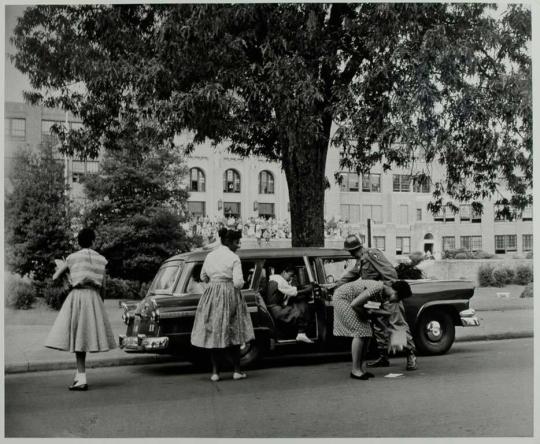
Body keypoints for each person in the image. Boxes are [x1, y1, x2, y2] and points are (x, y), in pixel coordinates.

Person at [331, 234, 418, 371]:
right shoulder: (361, 261)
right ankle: (383, 356)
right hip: (376, 297)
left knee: (396, 325)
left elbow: (390, 273)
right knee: (377, 324)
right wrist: (337, 285)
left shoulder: (372, 254)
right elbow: (352, 274)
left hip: (389, 295)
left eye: (351, 251)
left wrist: (390, 292)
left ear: (354, 249)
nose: (350, 254)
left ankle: (410, 354)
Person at [45, 228, 116, 391]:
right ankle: (79, 376)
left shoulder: (72, 257)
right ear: (92, 241)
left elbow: (55, 277)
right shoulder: (101, 259)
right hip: (94, 297)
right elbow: (104, 286)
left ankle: (82, 378)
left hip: (77, 296)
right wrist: (100, 303)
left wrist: (63, 268)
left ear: (79, 242)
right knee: (84, 337)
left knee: (78, 338)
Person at [190, 228, 255, 381]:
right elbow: (238, 283)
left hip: (212, 294)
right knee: (233, 331)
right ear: (229, 241)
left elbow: (203, 276)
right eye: (236, 242)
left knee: (214, 332)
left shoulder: (210, 256)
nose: (238, 245)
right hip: (229, 293)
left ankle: (215, 373)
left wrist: (214, 282)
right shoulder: (234, 258)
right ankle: (237, 370)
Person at [333, 279, 383, 379]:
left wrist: (369, 315)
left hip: (352, 300)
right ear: (395, 292)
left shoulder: (381, 293)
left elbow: (371, 311)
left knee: (367, 332)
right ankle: (355, 370)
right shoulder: (377, 287)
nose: (392, 301)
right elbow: (355, 304)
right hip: (343, 299)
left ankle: (361, 368)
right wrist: (365, 315)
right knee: (359, 332)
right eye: (397, 298)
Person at [267, 265, 314, 344]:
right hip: (277, 311)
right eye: (290, 275)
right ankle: (301, 333)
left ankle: (301, 333)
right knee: (301, 307)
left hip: (276, 308)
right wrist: (307, 290)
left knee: (297, 305)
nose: (291, 278)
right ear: (284, 272)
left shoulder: (275, 279)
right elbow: (293, 292)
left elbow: (290, 290)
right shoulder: (278, 280)